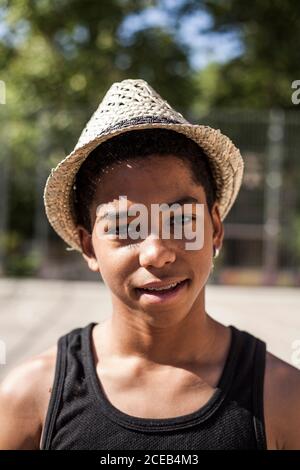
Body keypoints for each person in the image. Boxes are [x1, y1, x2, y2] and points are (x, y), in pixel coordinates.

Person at [0, 79, 299, 450]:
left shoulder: (283, 399)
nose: (157, 252)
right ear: (87, 246)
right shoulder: (30, 400)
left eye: (180, 220)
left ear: (216, 230)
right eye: (126, 228)